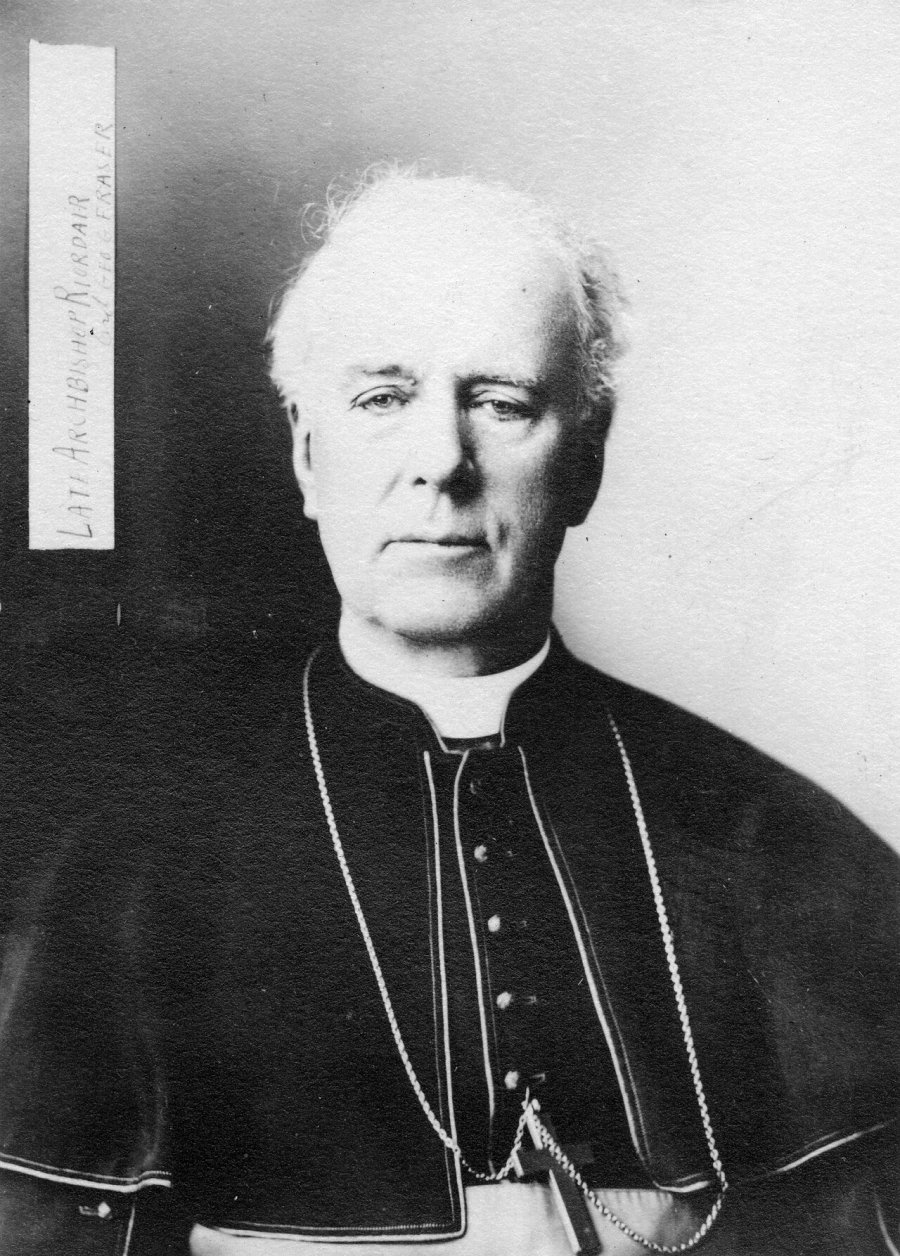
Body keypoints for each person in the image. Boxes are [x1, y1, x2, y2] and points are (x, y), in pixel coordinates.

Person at [0, 169, 897, 1255]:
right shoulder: (132, 862)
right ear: (307, 454)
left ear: (587, 458)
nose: (441, 463)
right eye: (384, 399)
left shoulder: (772, 841)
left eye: (502, 402)